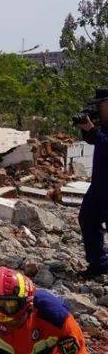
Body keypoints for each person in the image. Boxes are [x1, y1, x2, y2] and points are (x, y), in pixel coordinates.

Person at [76, 87, 108, 278]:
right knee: (88, 220)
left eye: (100, 105)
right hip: (99, 185)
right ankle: (98, 265)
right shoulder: (103, 124)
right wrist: (86, 130)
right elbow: (96, 141)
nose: (98, 109)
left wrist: (93, 131)